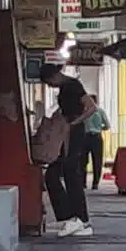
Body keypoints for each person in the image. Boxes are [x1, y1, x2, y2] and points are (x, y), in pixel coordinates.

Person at [40, 64, 99, 237]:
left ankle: (80, 219)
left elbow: (91, 107)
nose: (50, 86)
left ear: (54, 76)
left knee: (70, 174)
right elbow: (65, 110)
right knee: (55, 174)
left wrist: (73, 123)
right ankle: (71, 218)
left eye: (49, 82)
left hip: (73, 133)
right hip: (66, 132)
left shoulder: (73, 85)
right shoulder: (66, 88)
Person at [86, 95, 111, 191]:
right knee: (96, 160)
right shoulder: (100, 111)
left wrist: (99, 129)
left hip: (89, 136)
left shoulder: (85, 112)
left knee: (85, 160)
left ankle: (89, 183)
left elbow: (107, 126)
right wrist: (99, 129)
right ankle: (94, 183)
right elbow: (107, 126)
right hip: (95, 137)